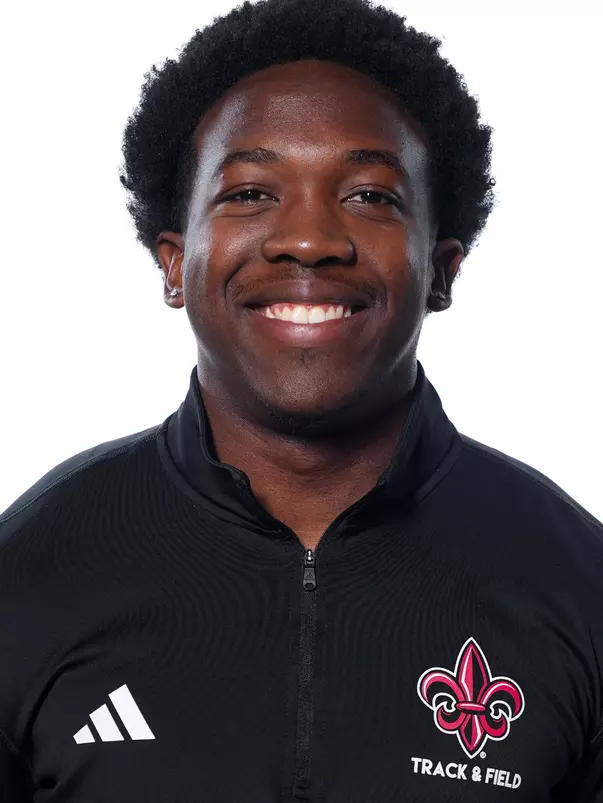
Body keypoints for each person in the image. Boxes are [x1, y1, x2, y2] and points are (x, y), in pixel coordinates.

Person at [1, 0, 602, 799]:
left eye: (369, 196)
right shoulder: (31, 567)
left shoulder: (576, 581)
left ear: (441, 268)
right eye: (250, 192)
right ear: (174, 263)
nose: (309, 239)